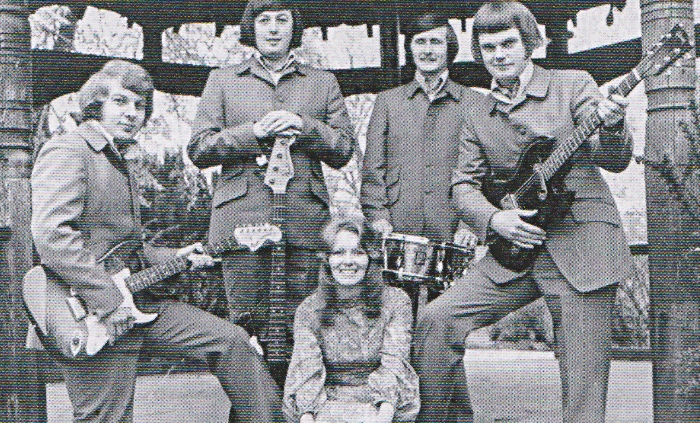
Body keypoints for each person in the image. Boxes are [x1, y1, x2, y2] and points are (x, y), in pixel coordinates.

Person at [411, 2, 634, 423]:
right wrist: (495, 220)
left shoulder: (572, 84)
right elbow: (463, 184)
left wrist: (613, 124)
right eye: (489, 46)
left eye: (509, 43)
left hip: (581, 248)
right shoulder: (477, 112)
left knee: (583, 393)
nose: (499, 55)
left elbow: (615, 159)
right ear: (478, 53)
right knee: (436, 320)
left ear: (529, 42)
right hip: (514, 252)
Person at [31, 59, 283, 423]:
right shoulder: (69, 150)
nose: (133, 113)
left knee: (232, 343)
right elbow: (52, 235)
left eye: (140, 106)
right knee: (105, 418)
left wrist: (176, 256)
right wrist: (109, 301)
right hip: (85, 314)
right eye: (121, 101)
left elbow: (122, 248)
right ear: (95, 104)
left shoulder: (117, 159)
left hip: (135, 304)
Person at [188, 0, 355, 384]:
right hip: (241, 224)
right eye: (264, 20)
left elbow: (344, 150)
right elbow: (198, 149)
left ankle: (301, 404)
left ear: (295, 27)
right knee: (245, 331)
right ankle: (252, 409)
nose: (274, 28)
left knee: (307, 324)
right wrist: (254, 133)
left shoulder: (321, 82)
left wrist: (305, 125)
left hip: (305, 224)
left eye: (283, 20)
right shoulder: (223, 79)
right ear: (252, 28)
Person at [283, 216, 420, 423]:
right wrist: (308, 417)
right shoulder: (308, 310)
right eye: (338, 253)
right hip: (326, 403)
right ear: (327, 260)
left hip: (381, 403)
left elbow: (395, 363)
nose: (348, 261)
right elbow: (306, 371)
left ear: (371, 258)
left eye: (357, 252)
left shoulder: (396, 302)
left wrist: (382, 417)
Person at [361, 13, 480, 247]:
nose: (428, 50)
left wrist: (471, 224)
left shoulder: (474, 102)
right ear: (410, 48)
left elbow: (484, 171)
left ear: (450, 49)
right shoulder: (387, 102)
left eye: (436, 42)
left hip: (453, 225)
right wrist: (379, 218)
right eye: (420, 42)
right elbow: (373, 170)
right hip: (398, 224)